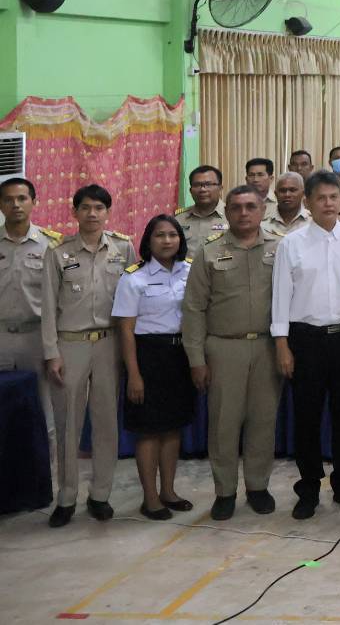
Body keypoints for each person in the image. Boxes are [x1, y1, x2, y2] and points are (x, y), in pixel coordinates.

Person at [271, 170, 340, 520]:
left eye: (334, 197)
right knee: (307, 419)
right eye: (321, 198)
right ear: (308, 202)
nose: (328, 204)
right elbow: (281, 296)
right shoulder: (291, 244)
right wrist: (282, 345)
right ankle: (309, 488)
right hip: (305, 341)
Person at [182, 185, 281, 520]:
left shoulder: (280, 248)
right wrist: (197, 359)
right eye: (236, 207)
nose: (243, 213)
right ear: (227, 212)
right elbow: (194, 309)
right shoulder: (209, 253)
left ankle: (257, 486)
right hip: (223, 347)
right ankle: (224, 491)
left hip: (268, 346)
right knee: (224, 422)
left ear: (263, 210)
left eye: (250, 206)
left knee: (263, 421)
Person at [42, 184, 133, 527]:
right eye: (85, 207)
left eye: (99, 207)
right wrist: (52, 353)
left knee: (107, 421)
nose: (92, 213)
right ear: (75, 212)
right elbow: (48, 307)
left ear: (108, 212)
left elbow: (130, 302)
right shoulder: (58, 252)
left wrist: (129, 350)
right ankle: (66, 497)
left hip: (110, 344)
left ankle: (100, 495)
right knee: (68, 424)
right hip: (70, 344)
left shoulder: (123, 247)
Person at [112, 214, 197, 520]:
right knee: (148, 431)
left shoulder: (191, 271)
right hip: (148, 357)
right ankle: (150, 498)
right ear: (148, 240)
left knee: (173, 427)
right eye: (159, 235)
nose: (167, 241)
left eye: (172, 235)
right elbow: (125, 330)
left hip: (180, 356)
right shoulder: (134, 277)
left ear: (180, 239)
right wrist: (133, 374)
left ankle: (169, 491)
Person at [0, 177, 60, 420]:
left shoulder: (52, 245)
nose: (16, 204)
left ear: (34, 202)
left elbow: (60, 299)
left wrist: (54, 349)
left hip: (37, 339)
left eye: (22, 198)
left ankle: (49, 461)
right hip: (1, 337)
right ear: (1, 205)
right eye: (8, 199)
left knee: (44, 411)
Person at [175, 166, 227, 244]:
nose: (203, 189)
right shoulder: (179, 219)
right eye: (197, 185)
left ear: (220, 188)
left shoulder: (234, 216)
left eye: (208, 184)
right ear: (190, 190)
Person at [264, 172, 310, 237]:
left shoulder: (313, 222)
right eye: (282, 191)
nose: (287, 195)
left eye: (292, 190)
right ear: (275, 194)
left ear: (303, 193)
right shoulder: (263, 223)